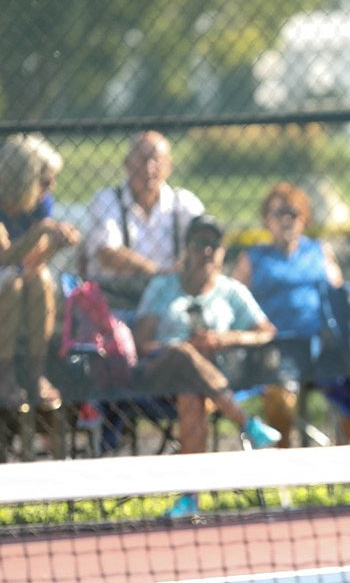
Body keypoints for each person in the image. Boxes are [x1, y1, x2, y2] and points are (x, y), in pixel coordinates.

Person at [131, 214, 281, 517]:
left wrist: (223, 339)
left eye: (214, 244)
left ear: (223, 250)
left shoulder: (232, 291)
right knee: (182, 353)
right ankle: (247, 423)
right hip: (159, 375)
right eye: (200, 244)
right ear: (187, 248)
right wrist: (184, 349)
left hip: (208, 385)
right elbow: (141, 342)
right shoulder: (163, 286)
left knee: (191, 395)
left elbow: (266, 332)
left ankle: (190, 499)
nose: (207, 251)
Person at [230, 181, 345, 447]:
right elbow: (233, 303)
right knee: (280, 396)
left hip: (321, 344)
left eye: (292, 213)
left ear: (304, 218)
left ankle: (343, 464)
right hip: (277, 347)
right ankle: (285, 468)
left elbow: (340, 295)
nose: (286, 220)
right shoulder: (254, 257)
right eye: (278, 213)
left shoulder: (319, 250)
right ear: (266, 220)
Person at [0, 134, 81, 451]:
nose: (51, 188)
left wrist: (55, 242)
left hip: (20, 287)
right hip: (5, 285)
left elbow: (33, 260)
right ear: (23, 179)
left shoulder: (39, 203)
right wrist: (42, 232)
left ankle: (35, 374)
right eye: (45, 181)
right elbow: (4, 258)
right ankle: (4, 375)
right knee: (15, 283)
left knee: (40, 280)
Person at [83, 130, 204, 308]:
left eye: (156, 160)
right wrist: (159, 273)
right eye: (142, 159)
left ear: (169, 166)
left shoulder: (184, 202)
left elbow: (206, 241)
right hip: (116, 299)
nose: (149, 168)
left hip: (171, 300)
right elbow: (107, 253)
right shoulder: (106, 199)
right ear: (126, 164)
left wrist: (185, 265)